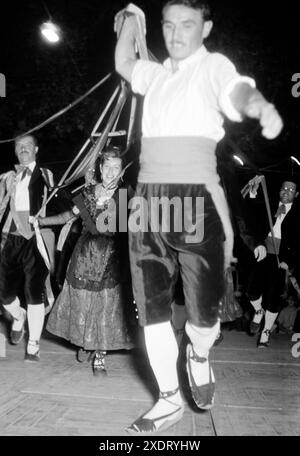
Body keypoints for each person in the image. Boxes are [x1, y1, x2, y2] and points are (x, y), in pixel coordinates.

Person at [114, 0, 283, 434]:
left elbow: (234, 89)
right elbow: (125, 62)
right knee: (149, 308)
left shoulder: (212, 67)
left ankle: (200, 353)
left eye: (187, 24)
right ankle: (168, 399)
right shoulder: (155, 75)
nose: (175, 33)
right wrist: (131, 24)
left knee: (204, 309)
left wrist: (258, 104)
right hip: (147, 200)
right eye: (168, 25)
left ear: (205, 27)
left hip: (194, 200)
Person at [38, 146, 136, 375]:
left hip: (113, 259)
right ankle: (86, 341)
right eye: (107, 167)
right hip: (84, 257)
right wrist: (41, 221)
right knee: (83, 305)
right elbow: (67, 216)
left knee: (106, 307)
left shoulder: (127, 194)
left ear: (121, 171)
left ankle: (100, 353)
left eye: (116, 168)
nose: (111, 172)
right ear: (100, 169)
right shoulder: (88, 193)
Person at [0, 134, 55, 361]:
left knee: (34, 291)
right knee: (3, 292)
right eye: (18, 146)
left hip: (34, 237)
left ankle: (33, 342)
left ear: (36, 148)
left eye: (27, 145)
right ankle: (18, 316)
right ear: (15, 151)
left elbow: (60, 200)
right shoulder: (6, 177)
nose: (23, 149)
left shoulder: (46, 175)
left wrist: (44, 219)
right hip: (9, 237)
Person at [247, 179, 300, 347]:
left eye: (291, 189)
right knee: (251, 291)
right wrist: (253, 193)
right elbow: (251, 213)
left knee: (273, 298)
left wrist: (288, 262)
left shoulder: (298, 215)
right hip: (263, 251)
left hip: (280, 259)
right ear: (279, 191)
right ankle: (258, 311)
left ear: (296, 195)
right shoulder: (268, 206)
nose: (286, 191)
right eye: (284, 188)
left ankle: (266, 332)